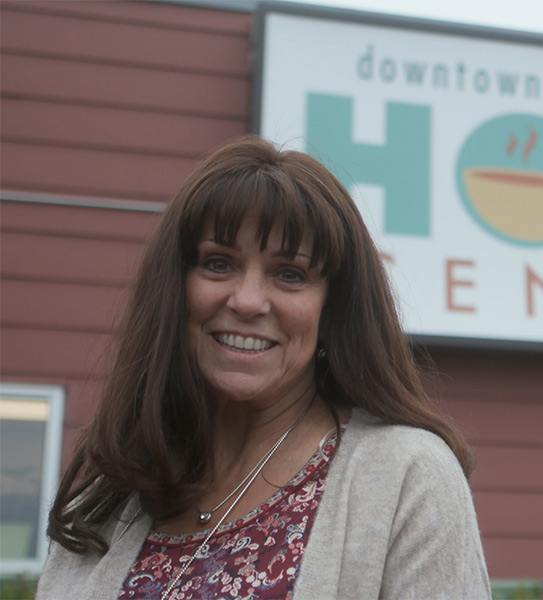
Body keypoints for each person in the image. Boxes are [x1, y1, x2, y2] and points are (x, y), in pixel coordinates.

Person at [37, 137, 491, 599]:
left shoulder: (409, 478)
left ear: (333, 310)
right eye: (218, 264)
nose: (248, 301)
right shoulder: (109, 499)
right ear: (174, 288)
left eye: (289, 273)